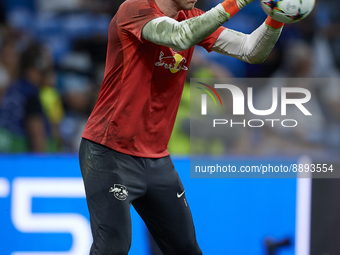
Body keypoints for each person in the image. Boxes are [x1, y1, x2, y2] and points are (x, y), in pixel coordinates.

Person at [78, 0, 284, 254]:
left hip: (156, 160)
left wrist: (278, 18)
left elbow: (251, 50)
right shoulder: (135, 9)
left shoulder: (192, 16)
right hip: (108, 153)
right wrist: (236, 2)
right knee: (113, 248)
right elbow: (180, 36)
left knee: (186, 249)